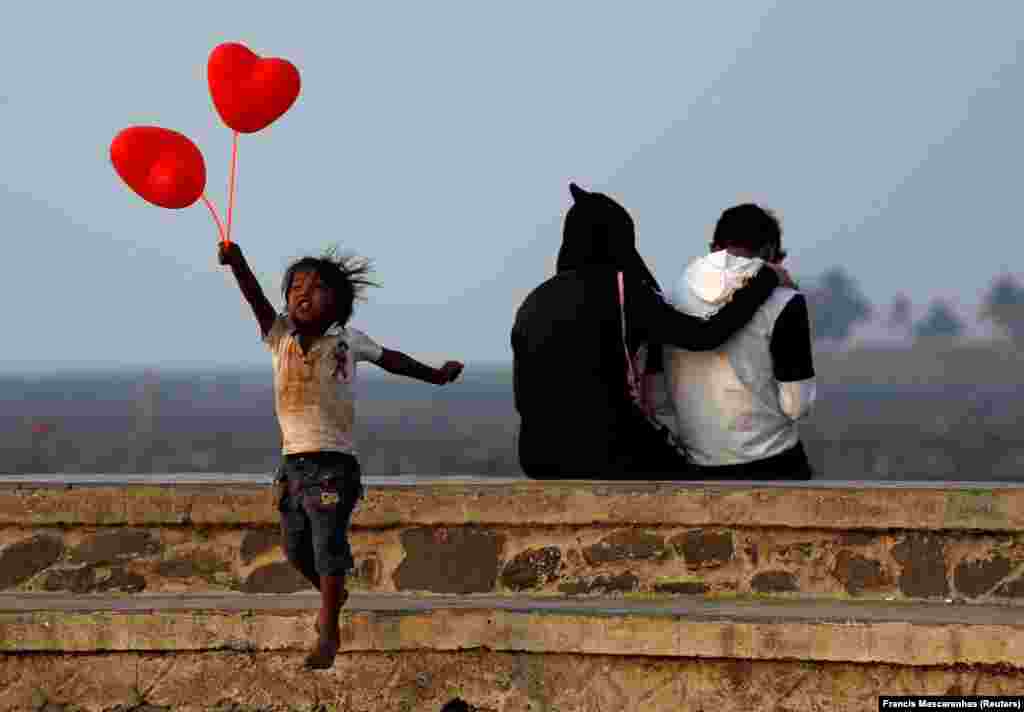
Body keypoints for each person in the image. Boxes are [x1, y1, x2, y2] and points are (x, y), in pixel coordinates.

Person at [217, 240, 464, 669]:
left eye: (315, 288)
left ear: (339, 302)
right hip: (292, 463)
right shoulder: (280, 338)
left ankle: (328, 628)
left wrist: (436, 375)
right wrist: (237, 263)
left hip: (334, 464)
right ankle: (335, 593)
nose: (302, 295)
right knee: (296, 550)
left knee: (328, 542)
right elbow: (255, 298)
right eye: (295, 287)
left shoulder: (349, 341)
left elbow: (395, 361)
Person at [511, 183, 791, 480]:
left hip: (537, 459)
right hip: (605, 456)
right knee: (704, 476)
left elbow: (523, 398)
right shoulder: (622, 291)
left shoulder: (534, 301)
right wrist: (763, 282)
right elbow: (705, 336)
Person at [664, 203, 816, 479]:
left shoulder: (671, 296)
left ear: (713, 247)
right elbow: (797, 406)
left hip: (698, 466)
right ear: (771, 253)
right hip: (773, 463)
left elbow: (657, 398)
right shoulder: (785, 301)